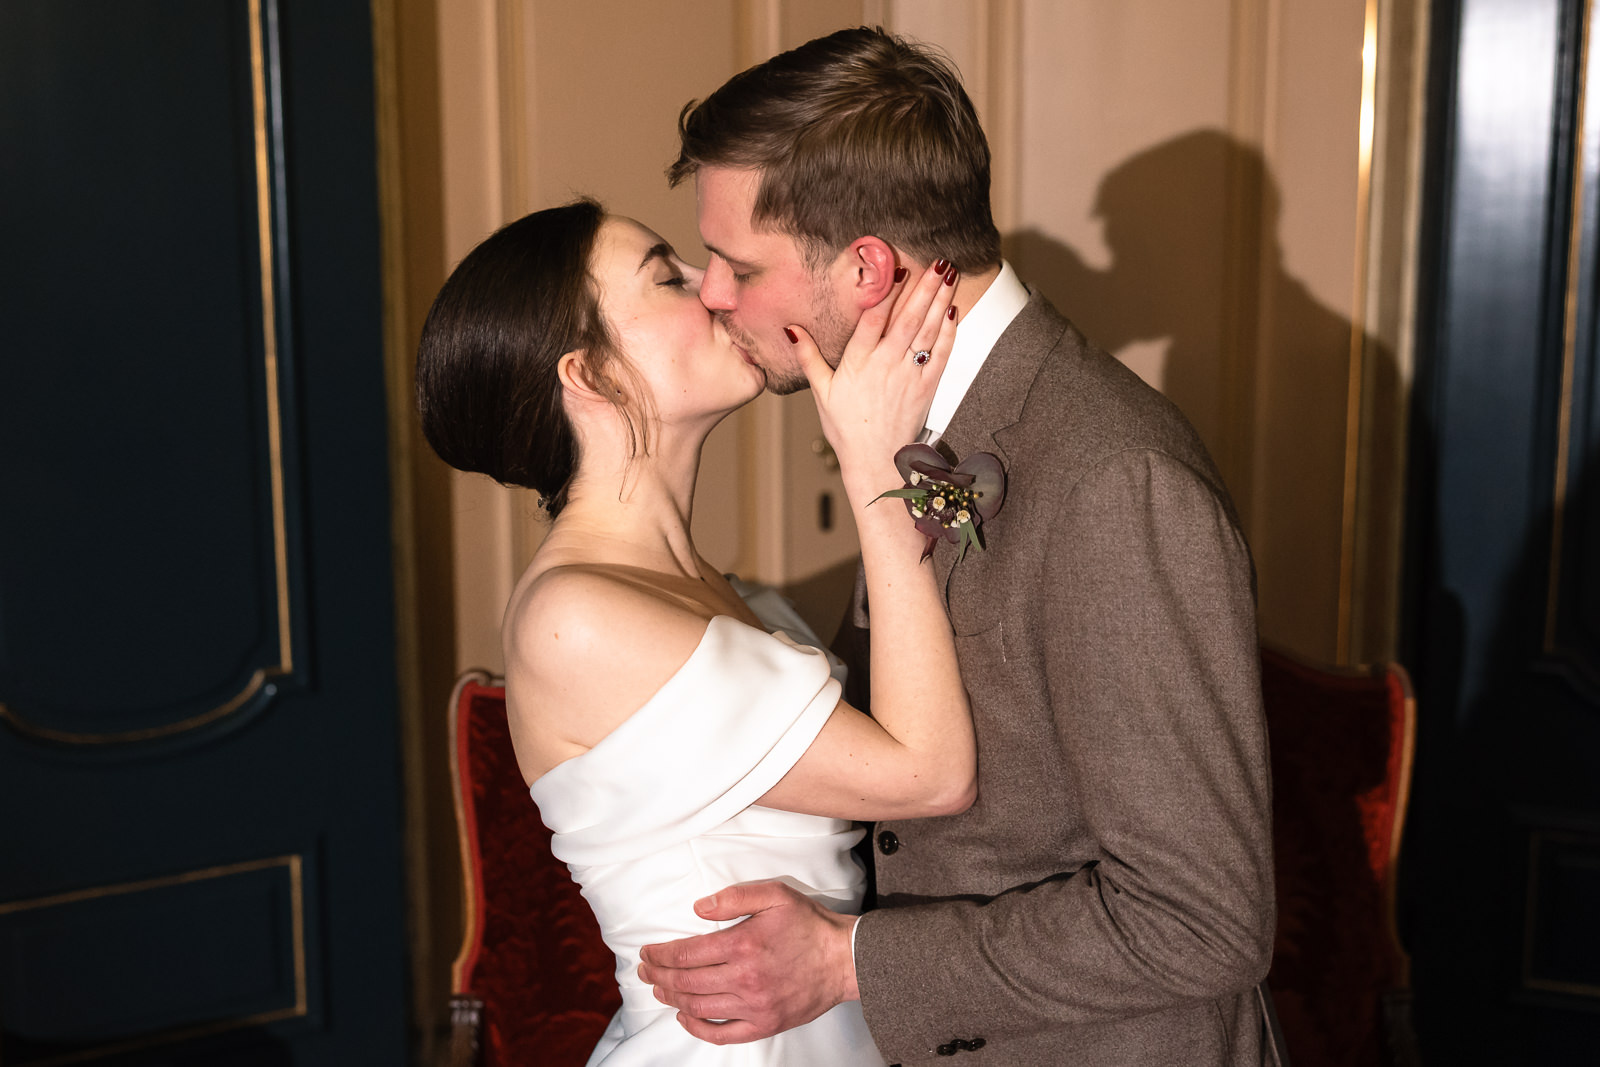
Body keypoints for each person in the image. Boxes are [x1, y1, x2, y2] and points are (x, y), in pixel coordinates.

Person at [637, 27, 1283, 1066]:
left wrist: (855, 961)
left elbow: (1203, 919)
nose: (710, 291)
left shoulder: (1117, 482)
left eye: (738, 264)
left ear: (865, 268)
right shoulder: (916, 422)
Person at [416, 197, 978, 1065]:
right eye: (667, 276)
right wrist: (874, 462)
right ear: (591, 377)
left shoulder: (725, 591)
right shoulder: (574, 621)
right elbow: (929, 773)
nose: (716, 288)